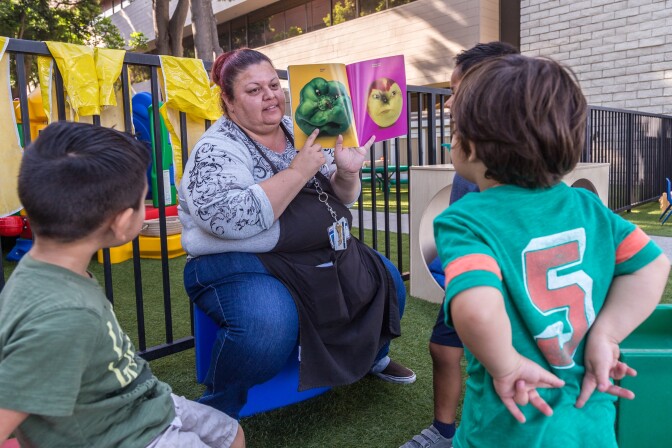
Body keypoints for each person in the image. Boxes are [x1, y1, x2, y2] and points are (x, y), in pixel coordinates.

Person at [433, 54, 669, 447]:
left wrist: (506, 367)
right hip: (588, 421)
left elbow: (475, 308)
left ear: (469, 146)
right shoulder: (588, 208)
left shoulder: (467, 219)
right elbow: (653, 266)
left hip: (507, 427)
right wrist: (606, 336)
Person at [178, 48, 416, 419]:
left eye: (274, 84)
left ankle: (374, 357)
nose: (270, 95)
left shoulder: (299, 128)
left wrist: (349, 173)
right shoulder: (217, 148)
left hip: (313, 249)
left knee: (386, 279)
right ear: (228, 100)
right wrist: (297, 172)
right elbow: (225, 219)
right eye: (254, 90)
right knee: (266, 326)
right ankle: (218, 405)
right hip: (238, 261)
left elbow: (340, 199)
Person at [0, 122, 244, 448]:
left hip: (142, 401)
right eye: (143, 201)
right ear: (122, 222)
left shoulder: (48, 267)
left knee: (231, 434)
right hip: (124, 437)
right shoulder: (63, 316)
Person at [401, 41, 519, 448]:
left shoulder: (515, 157)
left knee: (497, 361)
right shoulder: (470, 152)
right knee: (443, 345)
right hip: (467, 274)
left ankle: (492, 431)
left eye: (458, 91)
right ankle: (443, 431)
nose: (449, 103)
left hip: (506, 277)